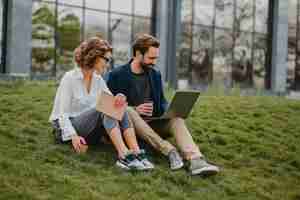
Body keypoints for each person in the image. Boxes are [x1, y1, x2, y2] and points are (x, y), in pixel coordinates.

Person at [107, 34, 219, 176]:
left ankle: (196, 160)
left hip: (153, 123)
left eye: (156, 58)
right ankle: (169, 150)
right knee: (128, 110)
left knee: (177, 119)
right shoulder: (117, 74)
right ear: (138, 54)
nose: (154, 62)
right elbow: (108, 108)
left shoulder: (155, 74)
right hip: (131, 128)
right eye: (151, 58)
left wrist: (172, 110)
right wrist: (135, 109)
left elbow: (161, 102)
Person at [49, 37, 154, 171]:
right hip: (69, 128)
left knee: (117, 106)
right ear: (94, 56)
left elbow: (113, 103)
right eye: (106, 59)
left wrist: (119, 98)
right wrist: (73, 136)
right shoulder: (70, 78)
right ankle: (123, 156)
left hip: (90, 130)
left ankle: (136, 152)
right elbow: (62, 114)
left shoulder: (97, 79)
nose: (107, 64)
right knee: (105, 107)